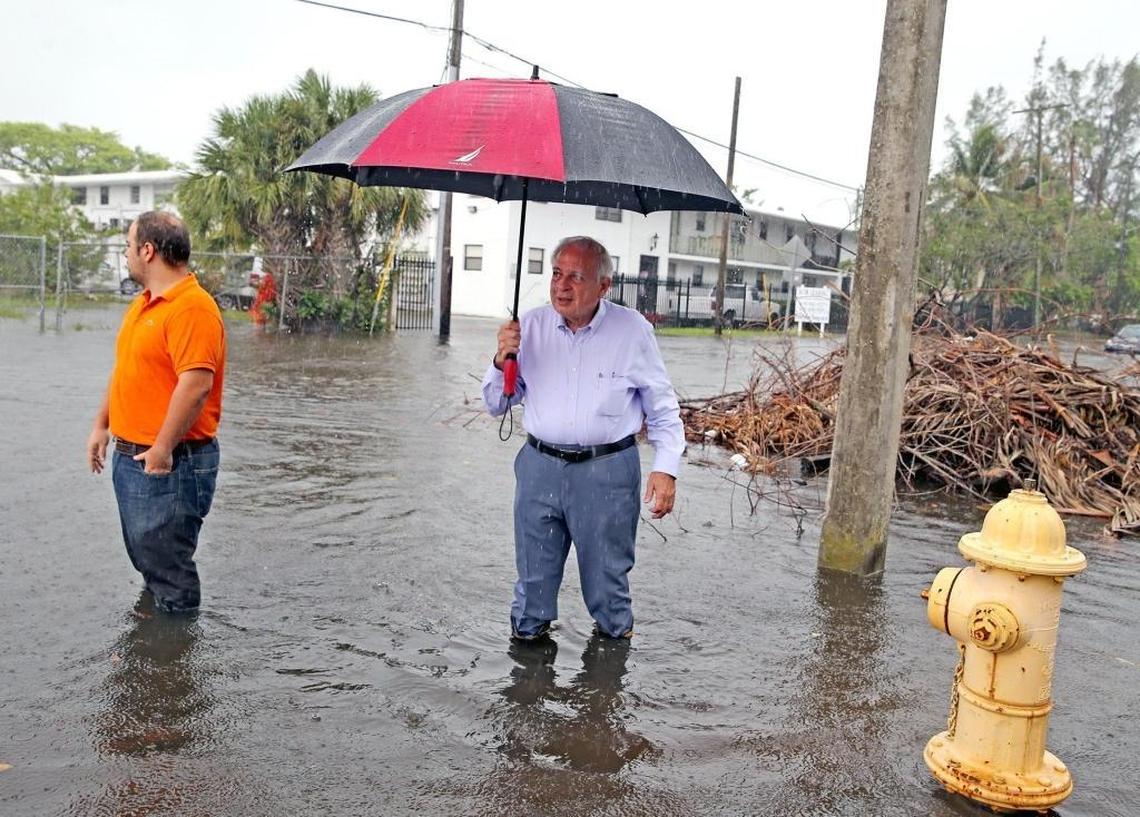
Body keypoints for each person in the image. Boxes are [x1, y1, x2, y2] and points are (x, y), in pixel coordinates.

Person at [482, 236, 683, 642]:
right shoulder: (529, 327)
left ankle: (605, 689)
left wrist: (666, 469)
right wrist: (501, 359)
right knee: (531, 588)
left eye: (576, 276)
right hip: (539, 468)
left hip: (607, 471)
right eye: (557, 273)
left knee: (608, 590)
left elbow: (661, 406)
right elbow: (496, 404)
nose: (561, 285)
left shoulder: (632, 331)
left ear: (603, 286)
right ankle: (527, 690)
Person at [86, 211, 226, 613]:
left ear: (147, 251)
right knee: (151, 562)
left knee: (170, 572)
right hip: (136, 457)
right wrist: (102, 425)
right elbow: (126, 369)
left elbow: (196, 385)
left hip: (168, 463)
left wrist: (163, 449)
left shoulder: (192, 308)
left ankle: (173, 661)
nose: (127, 255)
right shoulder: (144, 305)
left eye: (129, 246)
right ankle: (155, 646)